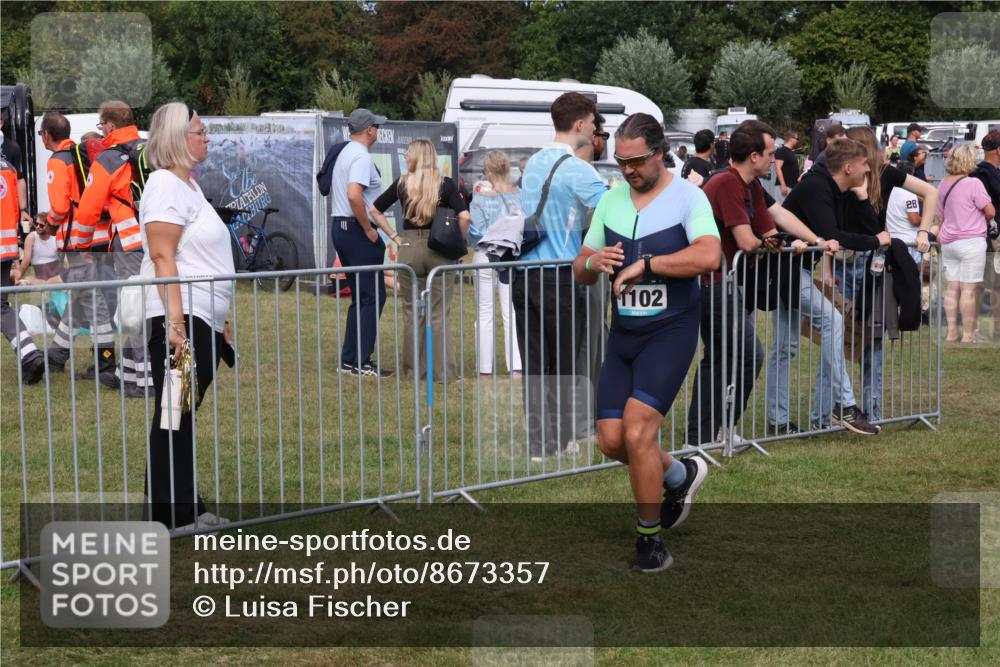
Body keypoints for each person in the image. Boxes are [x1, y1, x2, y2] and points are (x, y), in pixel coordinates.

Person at [572, 113, 720, 572]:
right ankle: (680, 474)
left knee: (639, 431)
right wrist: (594, 260)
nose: (628, 170)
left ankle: (650, 540)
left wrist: (648, 265)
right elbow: (579, 267)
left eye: (636, 161)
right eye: (620, 162)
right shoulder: (611, 201)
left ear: (659, 154)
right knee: (612, 441)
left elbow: (709, 254)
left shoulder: (688, 197)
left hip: (670, 331)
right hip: (624, 334)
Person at [685, 120, 810, 446]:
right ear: (753, 156)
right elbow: (747, 240)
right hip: (710, 283)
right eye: (770, 153)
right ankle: (705, 434)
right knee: (744, 356)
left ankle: (709, 433)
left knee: (723, 357)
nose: (775, 159)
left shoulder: (750, 185)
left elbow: (772, 227)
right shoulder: (726, 183)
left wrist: (802, 239)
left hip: (724, 283)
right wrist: (775, 243)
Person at [139, 101, 234, 530]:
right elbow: (163, 256)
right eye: (199, 131)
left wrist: (221, 318)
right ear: (178, 139)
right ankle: (171, 517)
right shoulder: (163, 184)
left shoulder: (189, 187)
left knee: (180, 414)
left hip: (201, 318)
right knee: (174, 416)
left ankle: (185, 507)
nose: (206, 138)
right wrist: (177, 327)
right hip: (180, 319)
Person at [765, 138, 884, 435]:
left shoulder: (840, 191)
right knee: (831, 322)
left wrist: (860, 197)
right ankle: (844, 405)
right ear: (848, 167)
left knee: (785, 347)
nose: (868, 169)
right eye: (863, 165)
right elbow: (836, 236)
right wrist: (875, 242)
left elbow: (871, 228)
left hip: (795, 270)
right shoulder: (817, 188)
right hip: (786, 270)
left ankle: (777, 421)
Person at [516, 92, 607, 459]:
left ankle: (540, 444)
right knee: (566, 361)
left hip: (525, 272)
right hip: (560, 273)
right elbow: (614, 209)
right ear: (580, 124)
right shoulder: (576, 168)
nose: (596, 128)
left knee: (535, 362)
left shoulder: (533, 162)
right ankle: (563, 439)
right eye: (594, 121)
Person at [841, 127, 937, 421]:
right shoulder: (851, 172)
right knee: (846, 336)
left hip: (867, 258)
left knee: (862, 337)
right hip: (854, 256)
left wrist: (923, 231)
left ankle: (866, 410)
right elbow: (930, 192)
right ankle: (854, 409)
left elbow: (930, 192)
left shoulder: (884, 172)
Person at [369, 138, 469, 379]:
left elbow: (374, 210)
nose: (405, 157)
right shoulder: (445, 184)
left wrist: (394, 236)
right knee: (439, 312)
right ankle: (444, 372)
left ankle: (413, 372)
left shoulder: (403, 183)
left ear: (416, 157)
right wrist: (457, 242)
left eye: (408, 154)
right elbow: (464, 216)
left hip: (409, 247)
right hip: (440, 249)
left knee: (412, 312)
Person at [38, 111, 119, 389]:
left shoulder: (58, 161)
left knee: (93, 302)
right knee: (83, 298)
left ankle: (107, 363)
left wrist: (48, 226)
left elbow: (61, 207)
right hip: (98, 236)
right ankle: (57, 357)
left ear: (47, 135)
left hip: (77, 242)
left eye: (41, 134)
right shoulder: (80, 155)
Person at [77, 101, 151, 396]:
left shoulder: (108, 158)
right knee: (155, 304)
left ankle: (141, 381)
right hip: (160, 236)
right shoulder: (150, 149)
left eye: (101, 125)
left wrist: (82, 244)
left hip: (130, 240)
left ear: (109, 125)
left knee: (133, 308)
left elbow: (88, 209)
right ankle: (128, 372)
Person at [330, 108, 392, 378]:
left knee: (362, 297)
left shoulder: (345, 152)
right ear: (368, 130)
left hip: (342, 228)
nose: (377, 131)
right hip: (356, 230)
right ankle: (361, 362)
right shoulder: (360, 156)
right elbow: (355, 195)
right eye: (376, 127)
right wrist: (368, 229)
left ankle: (349, 359)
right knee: (373, 296)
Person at [467, 150, 523, 377]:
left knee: (485, 312)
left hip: (484, 255)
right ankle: (517, 367)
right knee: (511, 313)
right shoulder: (520, 197)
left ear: (489, 171)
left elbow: (474, 233)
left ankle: (485, 369)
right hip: (510, 256)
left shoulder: (480, 199)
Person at [936, 142, 995, 343]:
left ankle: (952, 331)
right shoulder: (973, 183)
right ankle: (969, 334)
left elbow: (940, 216)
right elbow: (990, 211)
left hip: (949, 242)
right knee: (969, 289)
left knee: (952, 288)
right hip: (971, 241)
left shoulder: (943, 184)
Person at [1, 155, 45, 383]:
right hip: (6, 248)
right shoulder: (8, 167)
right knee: (1, 307)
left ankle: (30, 355)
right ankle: (29, 354)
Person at [971, 130, 1000, 339]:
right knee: (994, 285)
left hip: (978, 235)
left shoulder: (974, 173)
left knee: (979, 285)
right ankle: (995, 330)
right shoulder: (988, 175)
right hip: (992, 235)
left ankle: (974, 330)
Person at [0, 112, 32, 232]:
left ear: (1, 123)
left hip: (7, 213)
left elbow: (19, 179)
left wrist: (23, 210)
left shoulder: (12, 148)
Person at [10, 212, 62, 284]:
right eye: (36, 224)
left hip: (55, 280)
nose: (37, 227)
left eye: (41, 225)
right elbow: (26, 261)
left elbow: (65, 262)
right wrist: (19, 274)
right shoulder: (31, 238)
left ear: (48, 225)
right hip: (40, 280)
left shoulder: (56, 237)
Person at [773, 129, 801, 201]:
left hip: (791, 187)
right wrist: (783, 185)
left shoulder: (790, 152)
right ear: (791, 138)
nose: (797, 141)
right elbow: (777, 168)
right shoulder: (781, 151)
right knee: (781, 209)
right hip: (784, 187)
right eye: (797, 139)